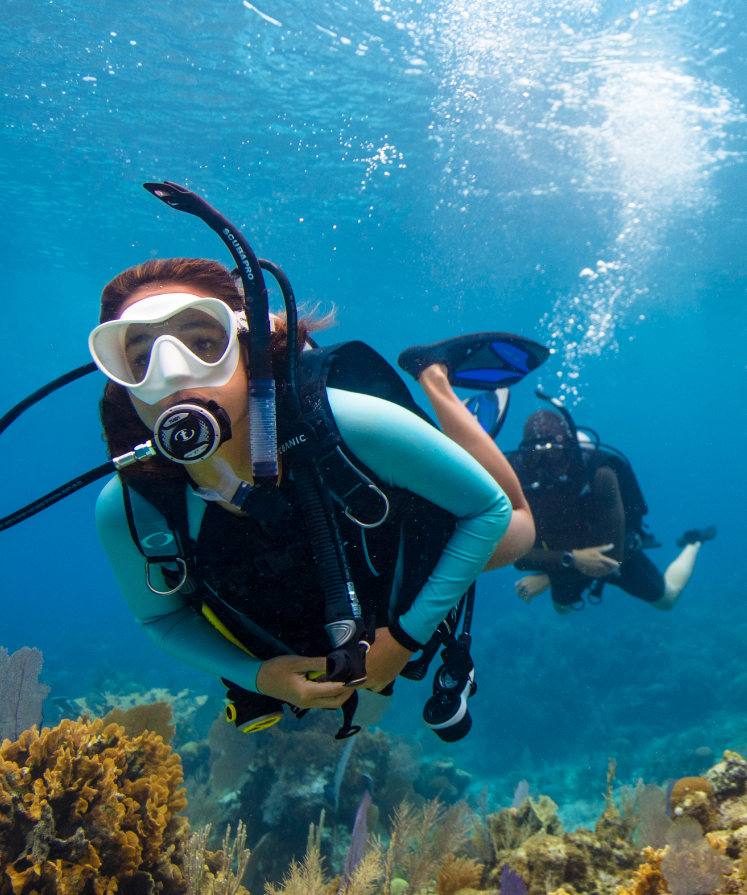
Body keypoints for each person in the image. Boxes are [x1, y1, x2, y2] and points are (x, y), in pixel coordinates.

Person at [90, 256, 544, 741]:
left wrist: (405, 638)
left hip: (404, 545)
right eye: (140, 358)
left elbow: (487, 509)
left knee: (518, 529)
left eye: (204, 343)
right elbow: (160, 615)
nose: (172, 374)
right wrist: (258, 677)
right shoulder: (131, 509)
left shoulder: (349, 422)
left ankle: (435, 379)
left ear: (248, 350)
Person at [508, 407, 713, 612]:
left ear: (570, 449)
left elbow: (613, 555)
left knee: (668, 599)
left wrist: (552, 577)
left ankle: (693, 542)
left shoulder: (600, 474)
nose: (547, 466)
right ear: (524, 455)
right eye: (536, 457)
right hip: (568, 559)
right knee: (562, 608)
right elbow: (516, 556)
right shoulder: (518, 479)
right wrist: (574, 560)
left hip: (614, 549)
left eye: (555, 454)